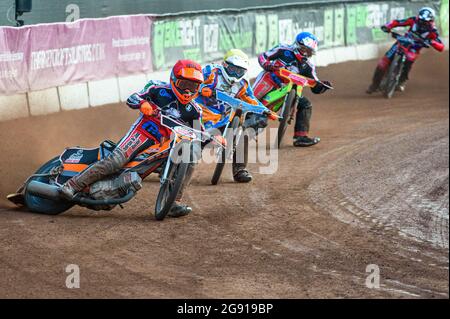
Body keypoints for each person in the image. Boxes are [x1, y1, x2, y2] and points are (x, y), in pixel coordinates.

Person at [60, 60, 205, 218]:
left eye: (193, 87)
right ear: (173, 80)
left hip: (164, 146)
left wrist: (215, 136)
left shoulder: (195, 111)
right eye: (184, 84)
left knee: (189, 158)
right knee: (115, 161)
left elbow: (200, 133)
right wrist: (143, 103)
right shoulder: (157, 88)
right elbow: (133, 98)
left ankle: (173, 202)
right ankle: (73, 184)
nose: (187, 91)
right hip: (142, 133)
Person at [253, 32, 332, 147]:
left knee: (306, 104)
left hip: (286, 90)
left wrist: (322, 86)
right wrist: (267, 65)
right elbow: (263, 57)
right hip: (269, 79)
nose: (308, 54)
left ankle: (300, 137)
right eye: (307, 50)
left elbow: (314, 85)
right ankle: (227, 120)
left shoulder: (308, 66)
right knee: (249, 101)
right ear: (299, 46)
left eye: (311, 52)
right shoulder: (283, 49)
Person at [197, 49, 264, 183]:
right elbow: (193, 82)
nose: (235, 74)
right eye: (233, 69)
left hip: (223, 117)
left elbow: (251, 98)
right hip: (199, 112)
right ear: (225, 65)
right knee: (194, 142)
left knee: (242, 133)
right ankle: (170, 165)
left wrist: (264, 110)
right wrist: (201, 88)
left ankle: (240, 170)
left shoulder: (243, 83)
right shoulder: (210, 71)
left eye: (239, 71)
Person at [366, 7, 445, 94]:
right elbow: (398, 22)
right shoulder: (413, 20)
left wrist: (432, 42)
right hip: (403, 42)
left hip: (414, 48)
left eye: (425, 22)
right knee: (383, 62)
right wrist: (388, 26)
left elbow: (441, 46)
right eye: (421, 20)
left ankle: (401, 81)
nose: (422, 23)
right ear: (418, 17)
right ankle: (374, 85)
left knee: (409, 60)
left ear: (431, 21)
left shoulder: (433, 31)